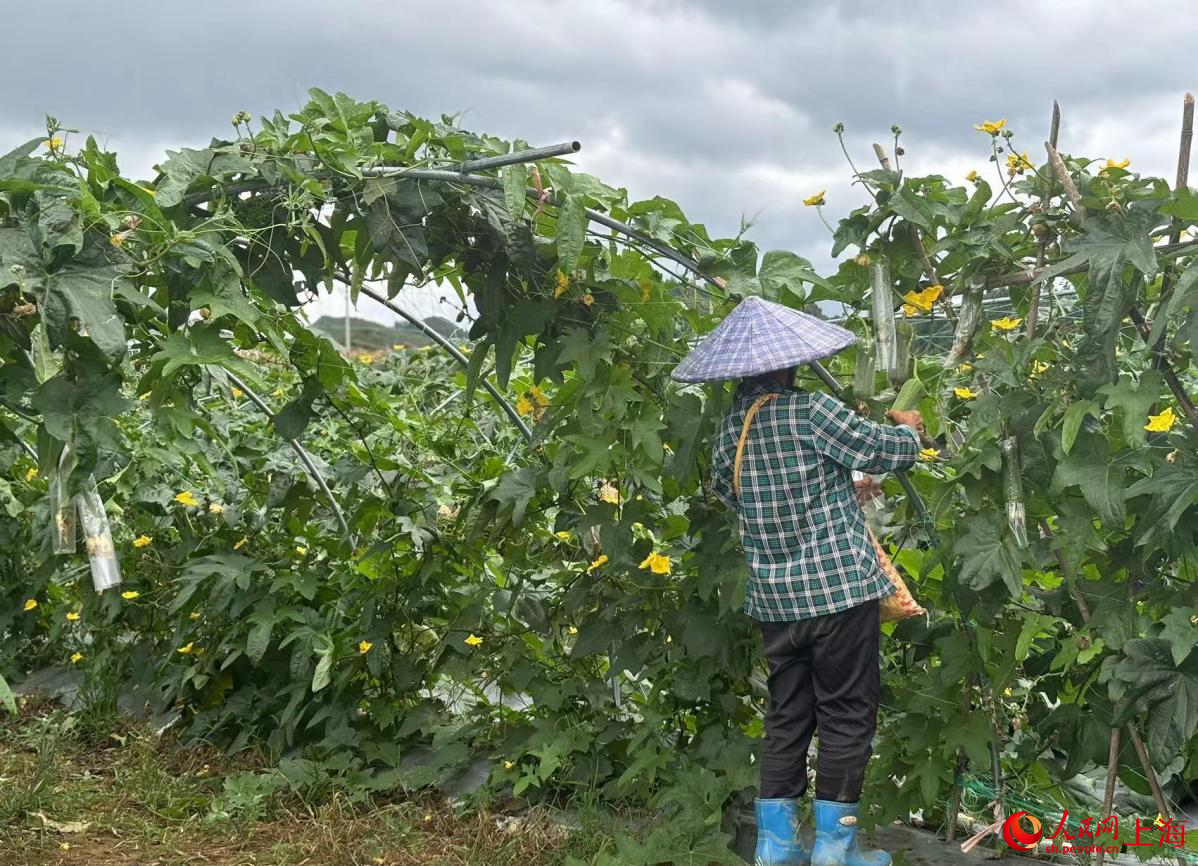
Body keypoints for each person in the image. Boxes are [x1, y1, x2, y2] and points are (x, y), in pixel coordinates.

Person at [709, 365, 924, 866]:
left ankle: (775, 847)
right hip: (837, 592)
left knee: (787, 714)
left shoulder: (732, 430)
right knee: (847, 712)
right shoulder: (811, 410)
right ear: (787, 364)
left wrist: (832, 489)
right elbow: (885, 451)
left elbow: (734, 495)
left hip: (777, 602)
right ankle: (835, 848)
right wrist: (908, 429)